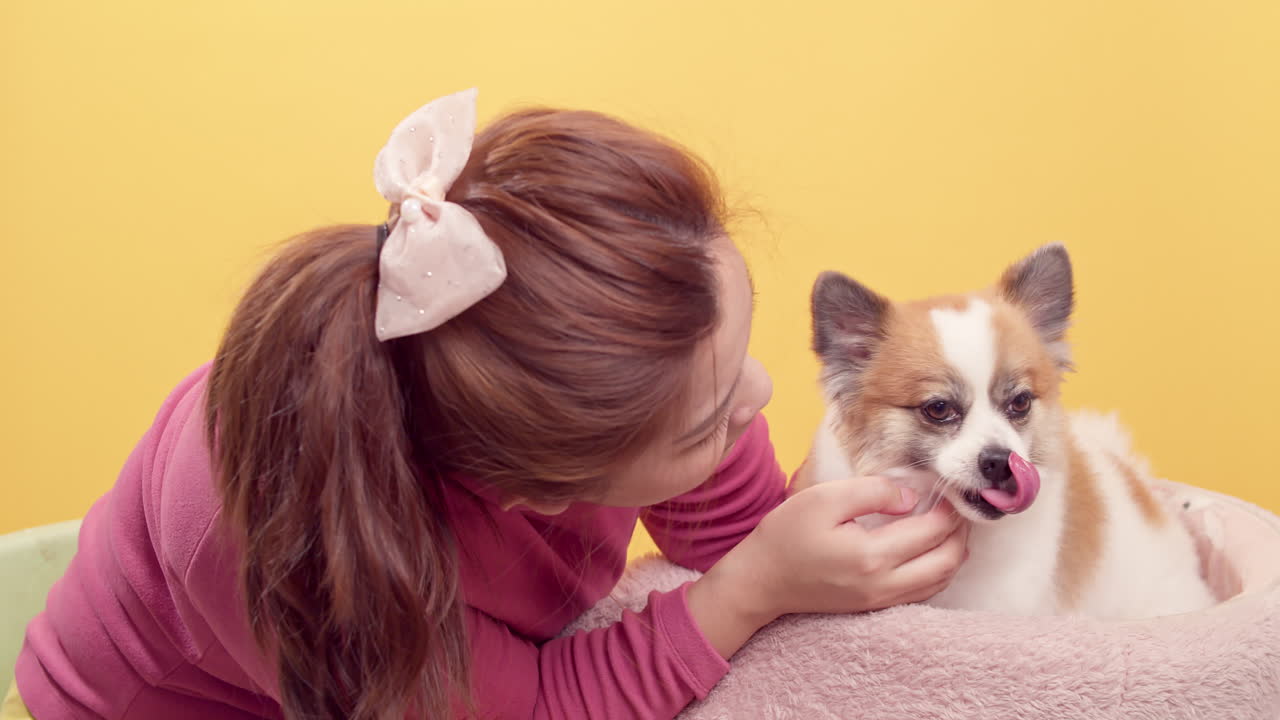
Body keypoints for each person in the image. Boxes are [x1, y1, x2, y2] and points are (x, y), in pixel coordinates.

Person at [6, 89, 968, 720]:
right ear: (537, 491)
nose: (757, 398)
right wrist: (750, 591)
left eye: (735, 358)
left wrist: (784, 545)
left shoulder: (563, 370)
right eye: (711, 420)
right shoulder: (314, 562)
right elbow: (537, 709)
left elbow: (735, 526)